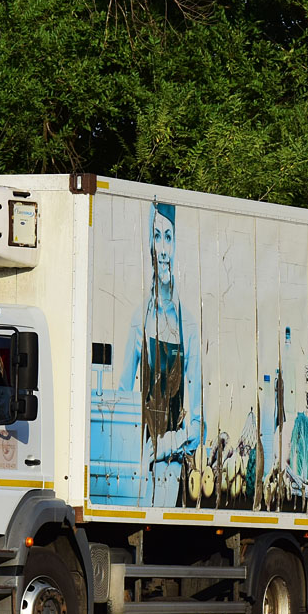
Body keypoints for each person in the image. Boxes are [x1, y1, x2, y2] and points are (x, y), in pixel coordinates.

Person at [117, 202, 201, 507]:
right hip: (140, 464)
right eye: (156, 236)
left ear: (176, 244)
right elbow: (123, 395)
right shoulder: (140, 318)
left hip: (171, 467)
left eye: (168, 236)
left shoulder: (187, 326)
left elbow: (198, 423)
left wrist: (167, 445)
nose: (162, 248)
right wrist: (135, 452)